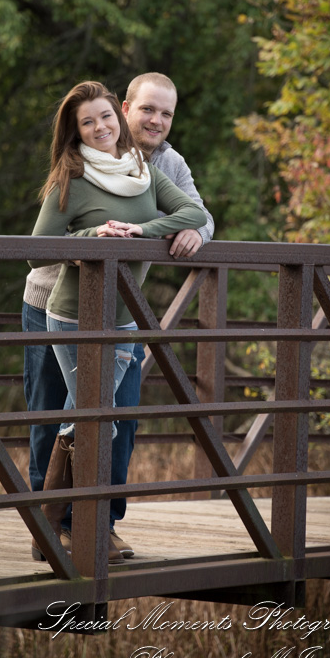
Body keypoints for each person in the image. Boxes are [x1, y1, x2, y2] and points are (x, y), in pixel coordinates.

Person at [23, 72, 214, 560]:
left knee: (114, 419)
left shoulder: (161, 164)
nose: (156, 120)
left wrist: (189, 233)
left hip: (119, 310)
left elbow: (198, 214)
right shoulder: (78, 164)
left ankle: (98, 523)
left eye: (166, 113)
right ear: (125, 108)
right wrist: (90, 243)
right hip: (53, 301)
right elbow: (41, 246)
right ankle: (53, 528)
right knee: (55, 417)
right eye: (147, 109)